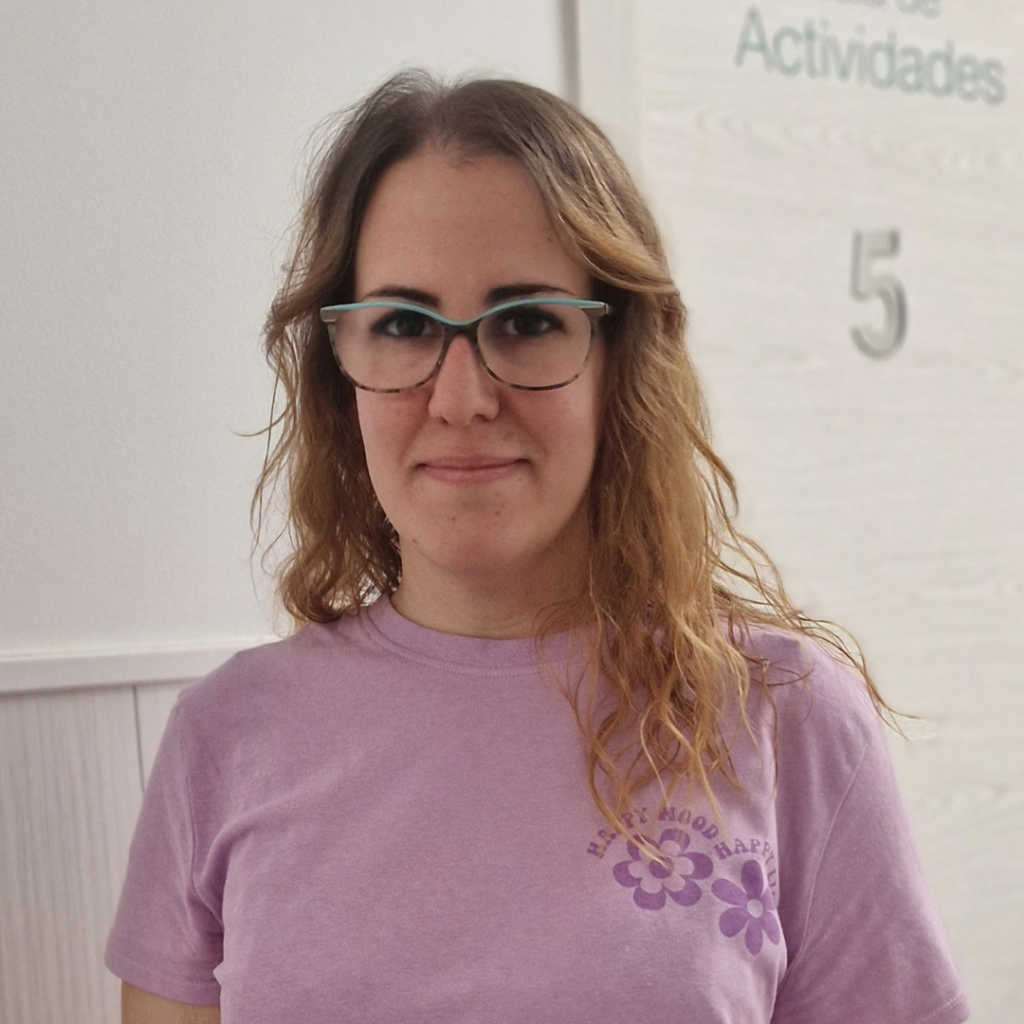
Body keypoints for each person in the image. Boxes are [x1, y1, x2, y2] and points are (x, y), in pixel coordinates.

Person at [105, 70, 969, 1024]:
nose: (462, 397)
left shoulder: (786, 719)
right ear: (337, 368)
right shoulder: (224, 737)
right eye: (403, 324)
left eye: (526, 323)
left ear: (620, 360)